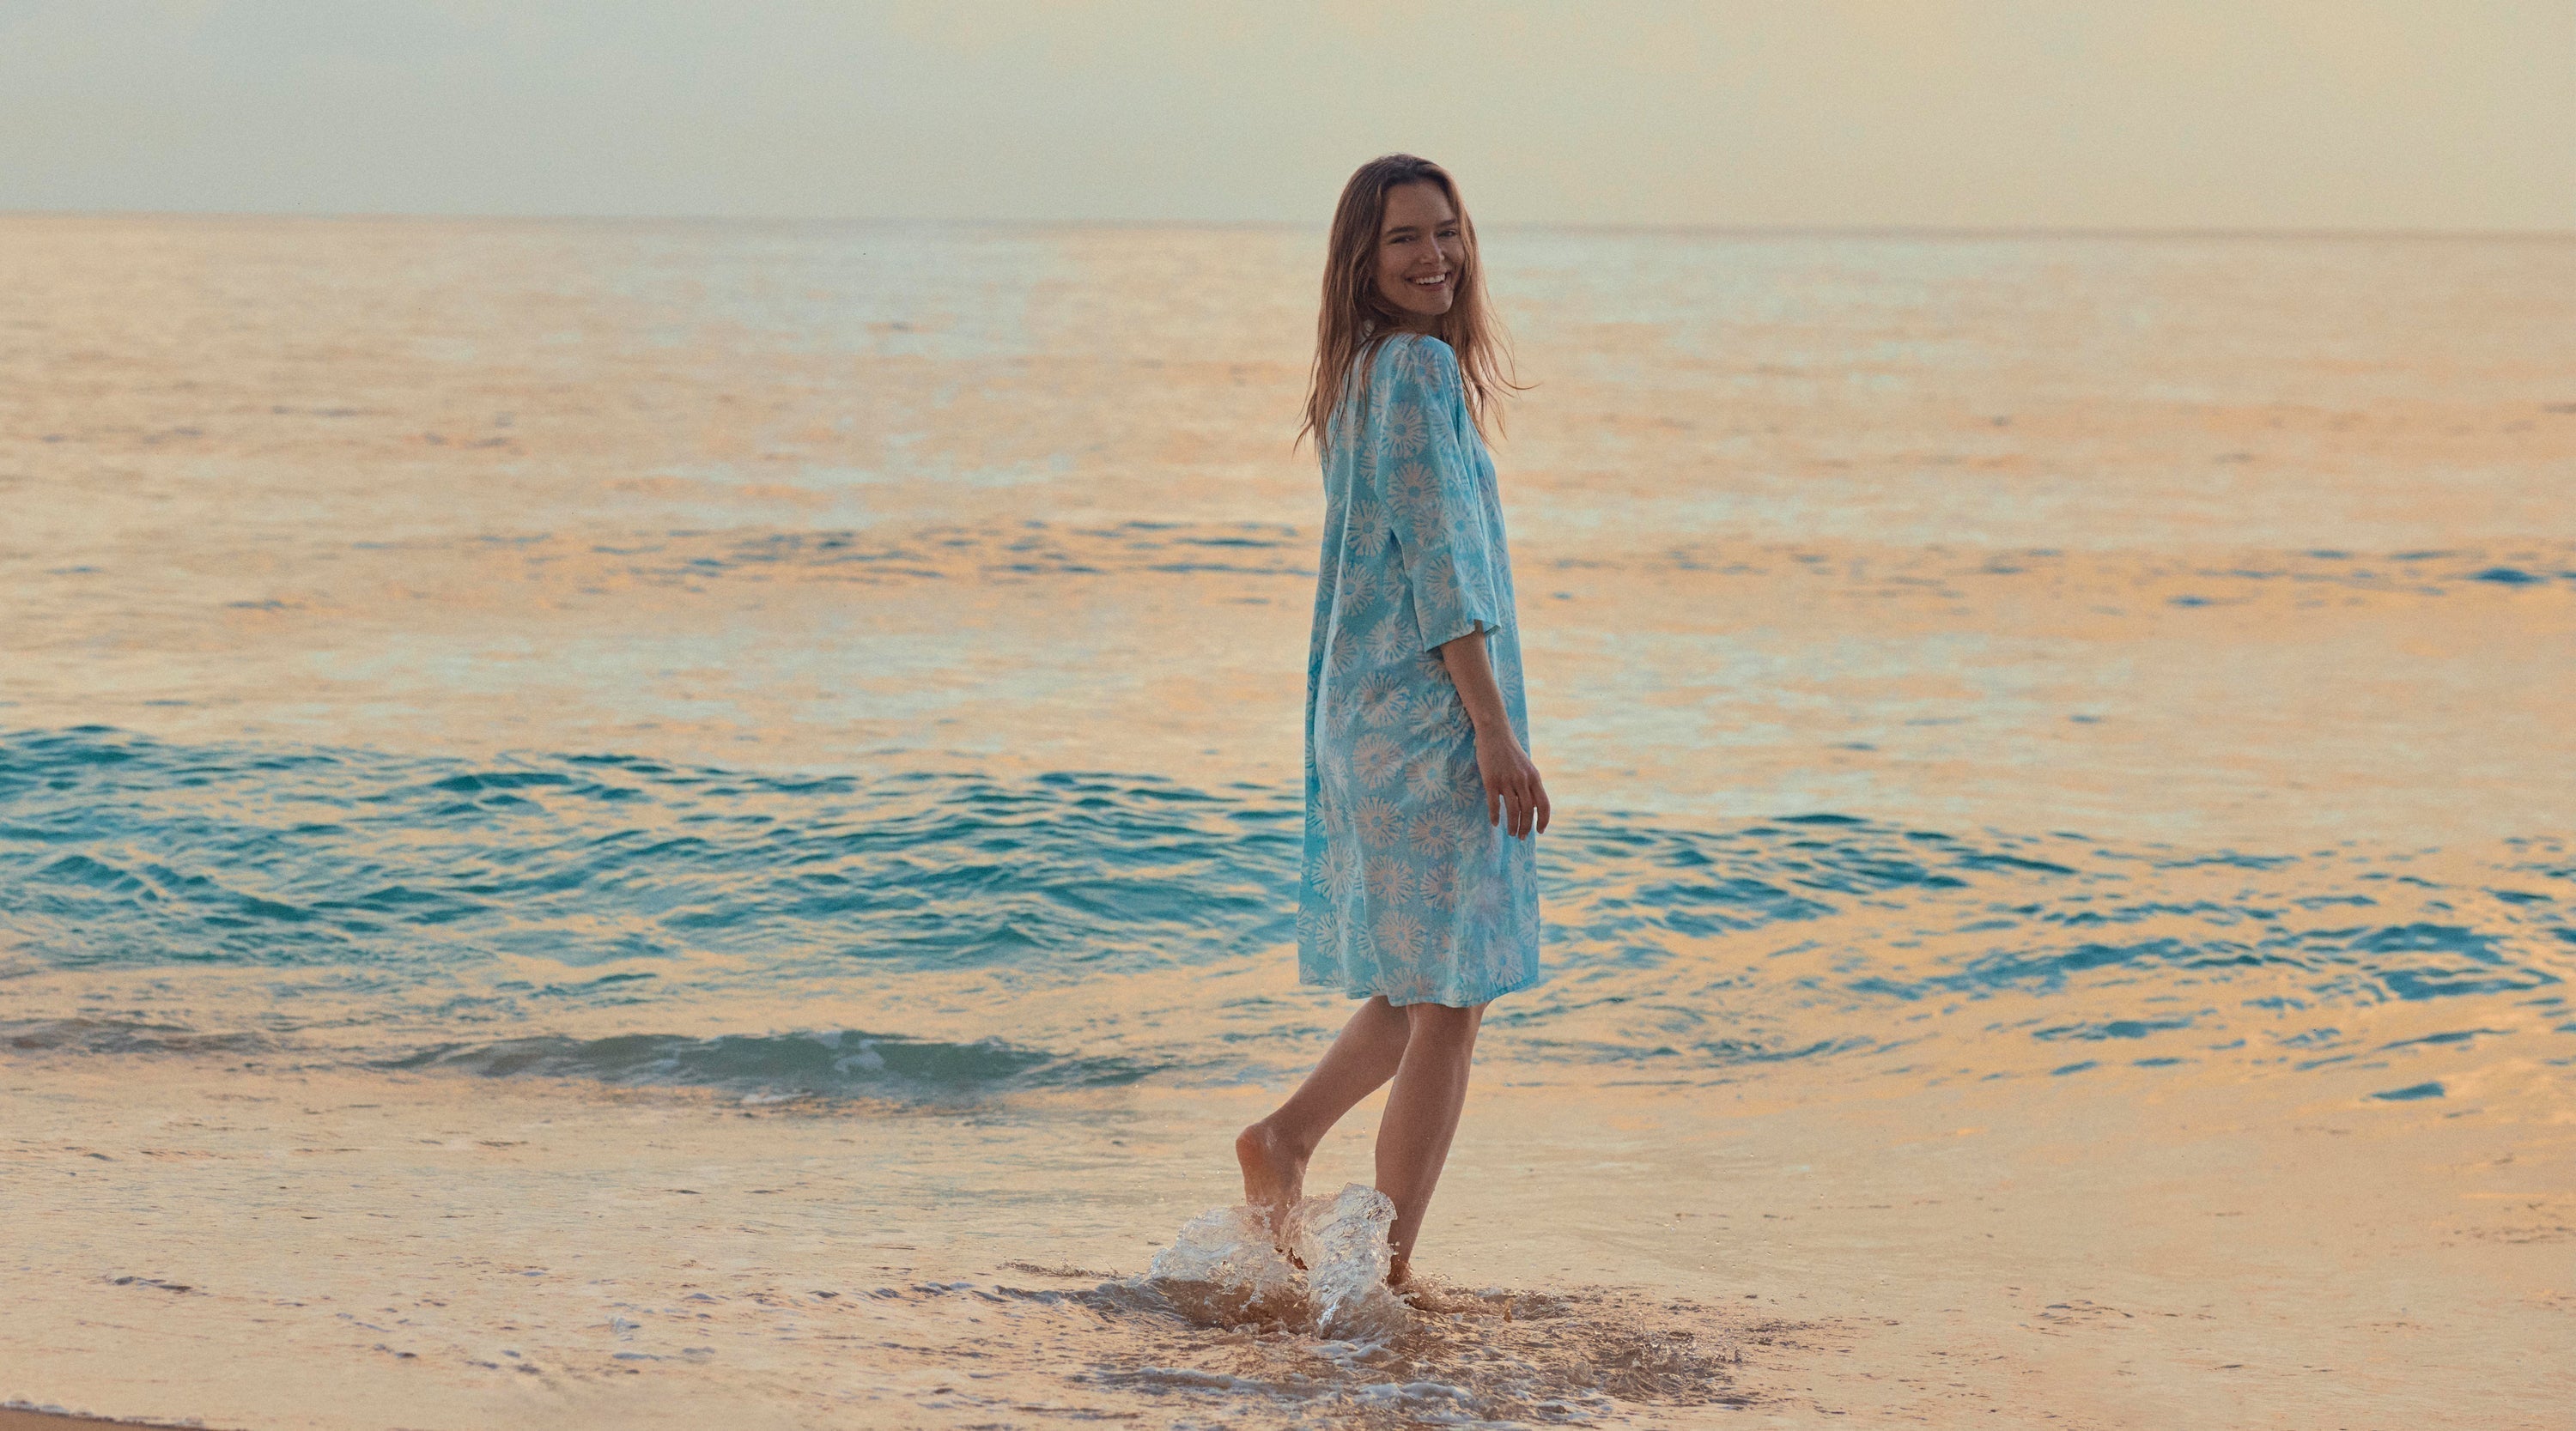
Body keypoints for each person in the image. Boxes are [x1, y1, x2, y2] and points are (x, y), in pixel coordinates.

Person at [1236, 154, 1548, 1288]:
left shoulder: (1360, 373)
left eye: (1447, 231)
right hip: (1426, 722)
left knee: (1423, 987)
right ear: (1361, 260)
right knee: (1451, 1005)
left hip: (1366, 714)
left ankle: (1283, 1141)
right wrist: (1492, 729)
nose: (1436, 256)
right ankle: (1391, 1270)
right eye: (1405, 238)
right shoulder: (1414, 369)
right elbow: (1442, 566)